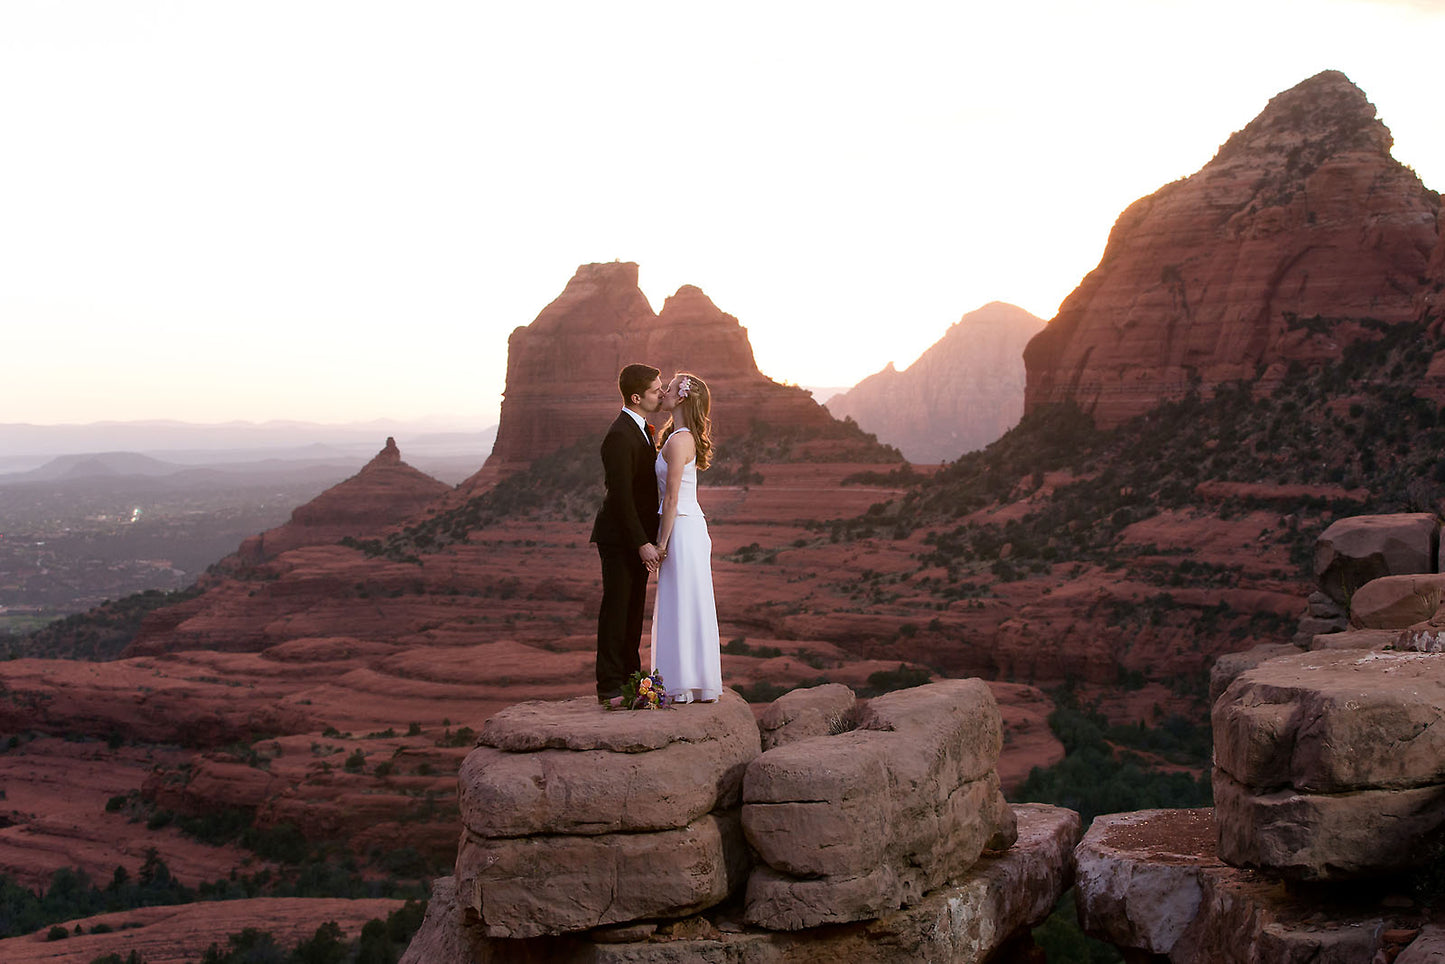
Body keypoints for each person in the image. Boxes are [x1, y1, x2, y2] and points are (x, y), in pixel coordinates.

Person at [590, 364, 664, 704]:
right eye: (655, 391)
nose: (660, 394)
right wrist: (641, 543)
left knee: (633, 611)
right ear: (636, 397)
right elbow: (620, 496)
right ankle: (608, 687)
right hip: (620, 539)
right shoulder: (620, 434)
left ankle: (632, 681)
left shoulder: (643, 430)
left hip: (635, 539)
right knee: (617, 610)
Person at [650, 372, 722, 704]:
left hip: (681, 528)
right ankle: (689, 680)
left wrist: (661, 544)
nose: (662, 391)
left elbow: (672, 498)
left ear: (681, 398)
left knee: (682, 600)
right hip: (686, 525)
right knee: (685, 599)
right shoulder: (680, 436)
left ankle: (682, 683)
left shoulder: (679, 441)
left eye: (669, 387)